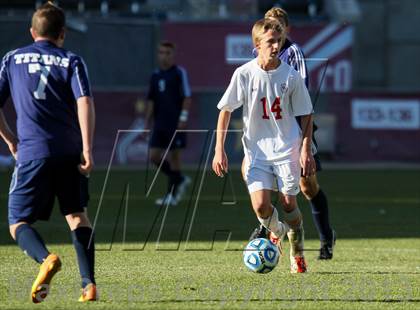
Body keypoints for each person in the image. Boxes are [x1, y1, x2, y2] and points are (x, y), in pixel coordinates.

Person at [0, 2, 97, 302]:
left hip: (31, 152)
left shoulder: (12, 59)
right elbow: (85, 102)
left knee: (18, 222)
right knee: (77, 216)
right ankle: (88, 285)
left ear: (32, 32)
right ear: (62, 34)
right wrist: (87, 148)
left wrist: (10, 140)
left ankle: (46, 260)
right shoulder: (72, 61)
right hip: (68, 151)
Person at [213, 18, 314, 273]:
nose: (276, 46)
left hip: (286, 149)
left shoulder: (290, 77)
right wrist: (219, 149)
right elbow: (225, 110)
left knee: (289, 203)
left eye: (278, 41)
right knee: (260, 205)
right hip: (257, 152)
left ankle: (298, 252)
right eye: (270, 42)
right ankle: (277, 232)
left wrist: (304, 150)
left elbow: (307, 113)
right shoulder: (244, 74)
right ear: (257, 44)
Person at [248, 7, 336, 260]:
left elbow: (302, 97)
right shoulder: (260, 53)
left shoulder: (293, 52)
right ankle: (266, 228)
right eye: (269, 26)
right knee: (260, 177)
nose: (273, 32)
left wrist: (304, 143)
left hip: (295, 128)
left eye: (278, 27)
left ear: (287, 29)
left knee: (307, 187)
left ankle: (326, 236)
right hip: (267, 133)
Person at [144, 41, 192, 206]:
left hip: (175, 123)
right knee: (154, 156)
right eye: (161, 52)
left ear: (173, 55)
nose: (164, 56)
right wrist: (146, 123)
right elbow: (151, 100)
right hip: (159, 124)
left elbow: (187, 96)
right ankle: (180, 178)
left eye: (167, 53)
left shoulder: (179, 73)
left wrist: (183, 118)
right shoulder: (155, 75)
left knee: (174, 157)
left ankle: (171, 195)